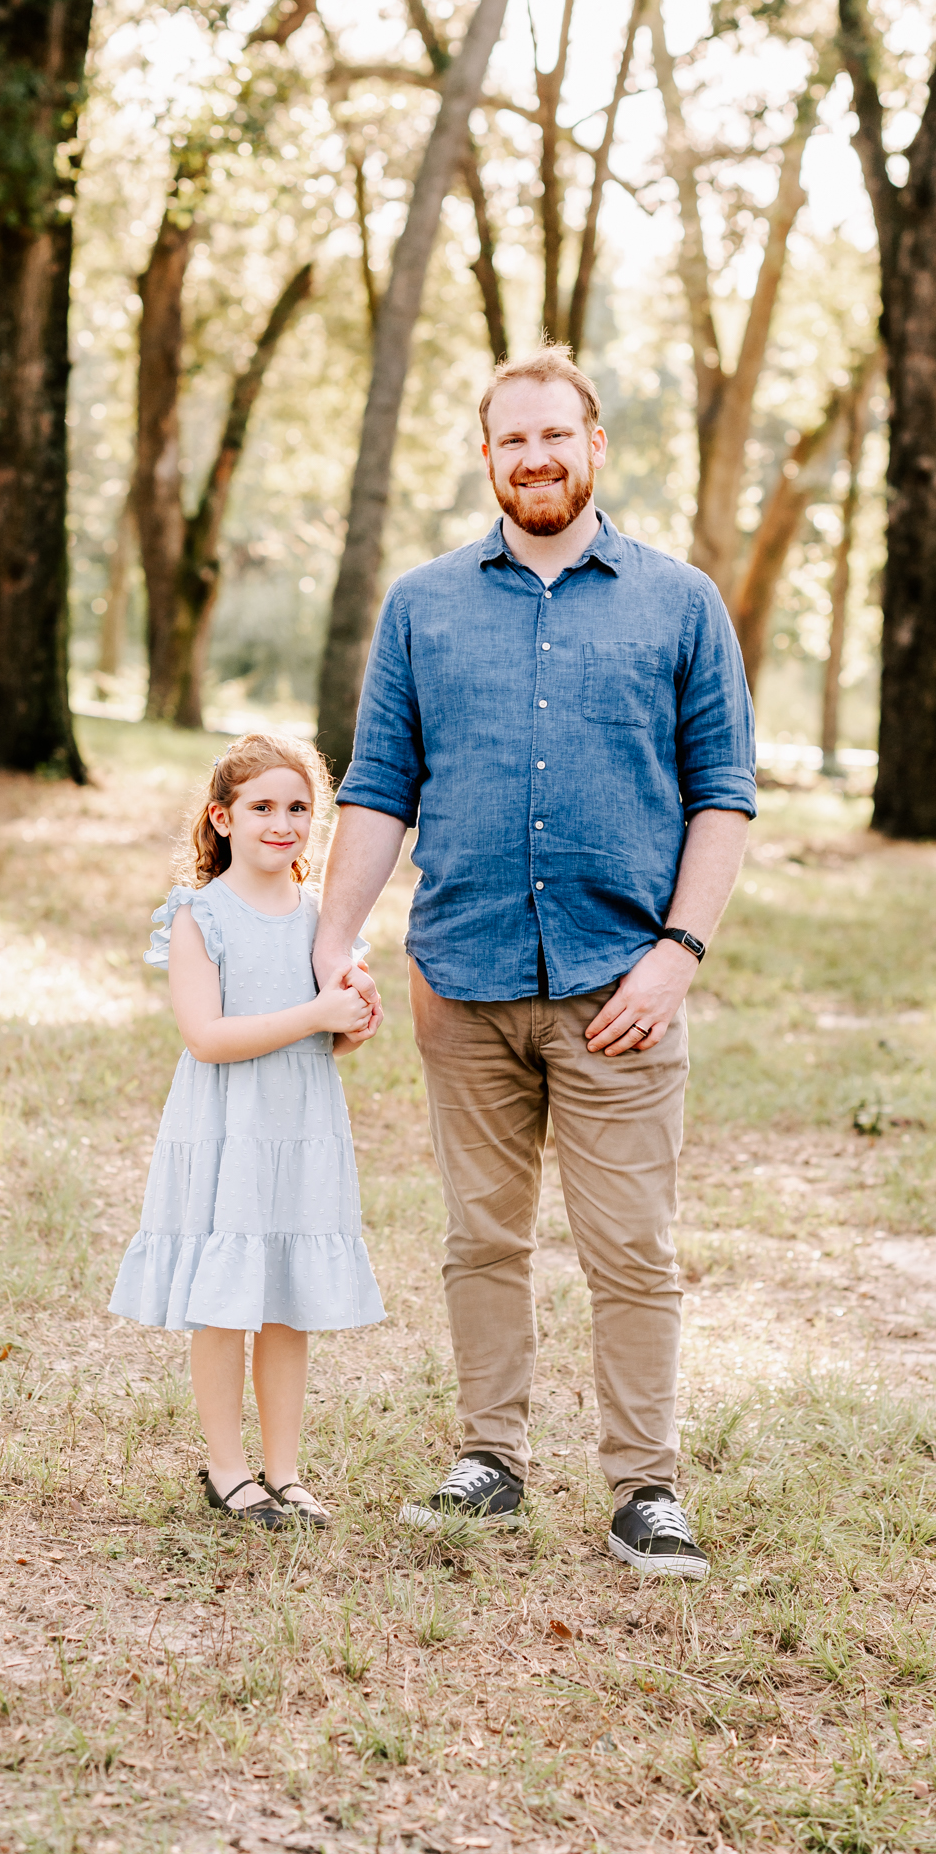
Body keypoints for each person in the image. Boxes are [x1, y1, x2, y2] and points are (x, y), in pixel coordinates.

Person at [314, 346, 756, 1577]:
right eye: (512, 440)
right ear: (489, 455)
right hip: (463, 979)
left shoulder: (679, 603)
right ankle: (490, 1458)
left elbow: (723, 795)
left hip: (624, 986)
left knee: (632, 1249)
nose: (536, 457)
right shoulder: (423, 604)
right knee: (479, 1236)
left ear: (595, 442)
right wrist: (330, 946)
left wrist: (677, 955)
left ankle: (645, 1489)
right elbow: (378, 789)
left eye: (555, 434)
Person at [110, 733, 386, 1529]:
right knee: (226, 1301)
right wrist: (314, 1014)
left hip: (300, 1123)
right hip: (229, 1121)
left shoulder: (320, 919)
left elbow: (328, 1030)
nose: (283, 823)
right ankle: (227, 1469)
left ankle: (286, 1471)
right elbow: (207, 1037)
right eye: (262, 807)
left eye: (299, 808)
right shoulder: (200, 914)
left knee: (286, 1301)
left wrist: (350, 1023)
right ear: (221, 818)